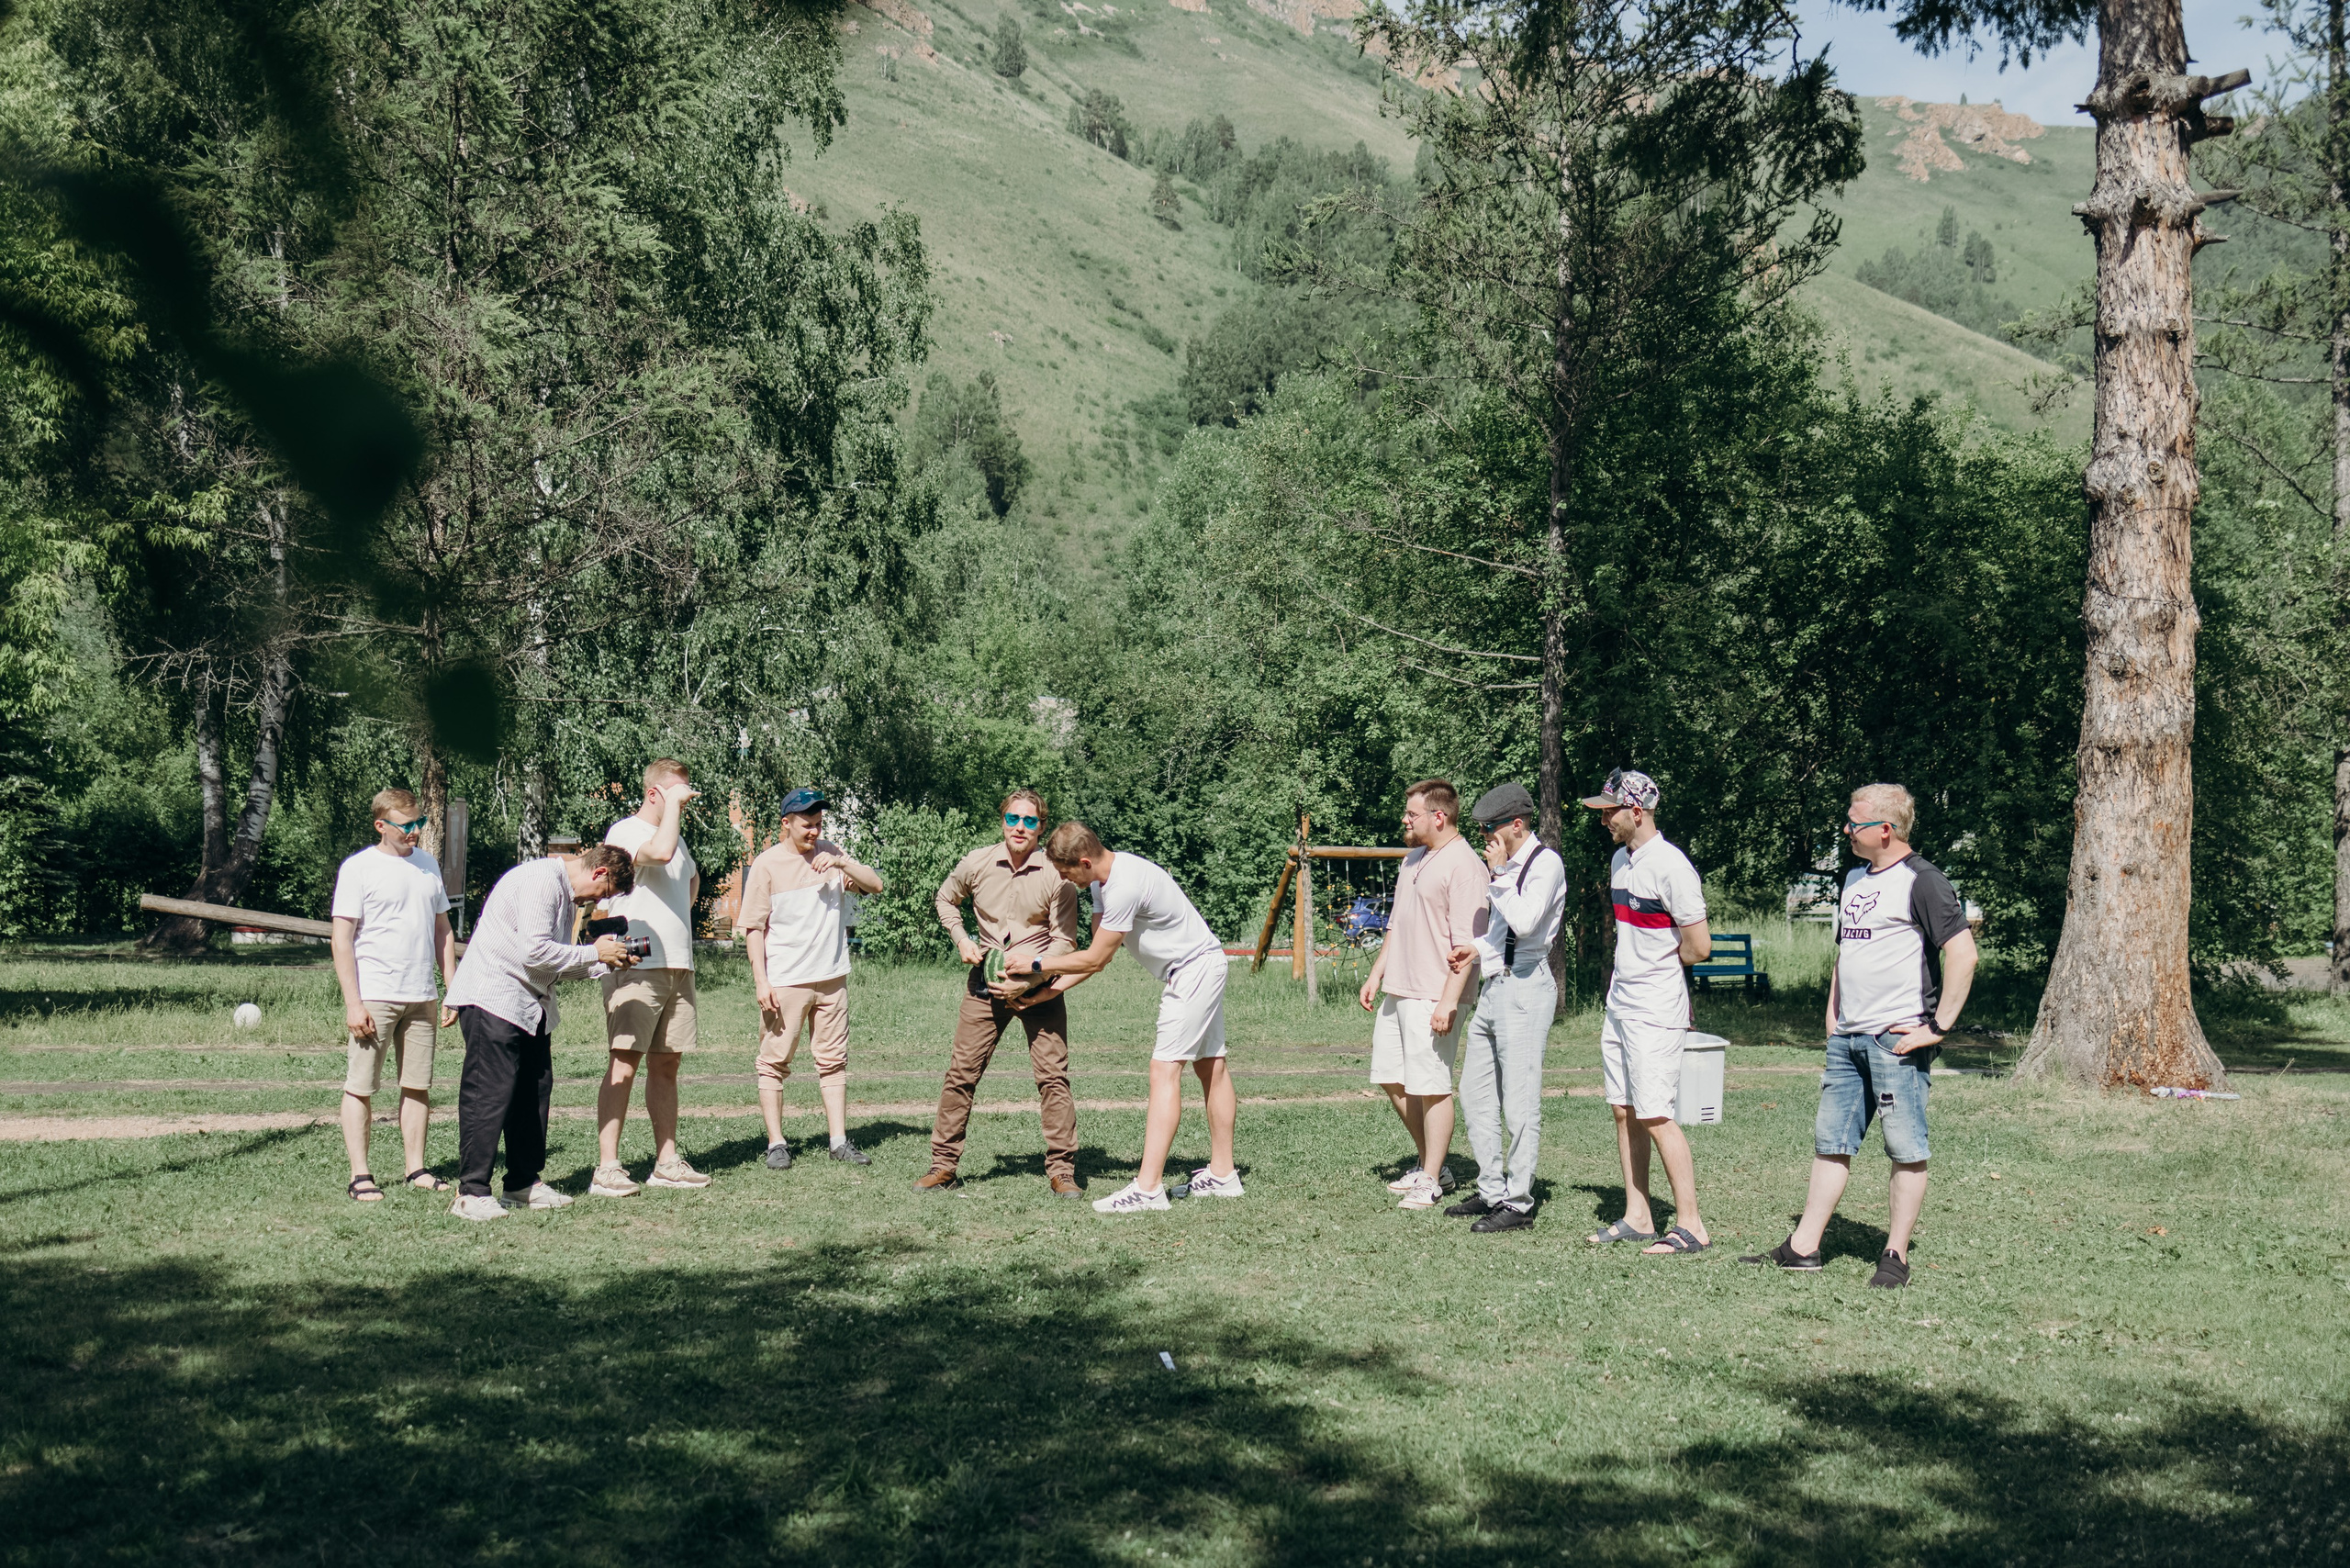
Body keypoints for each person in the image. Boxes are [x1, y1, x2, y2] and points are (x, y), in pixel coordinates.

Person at [1740, 783, 1977, 1288]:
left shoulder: (1923, 881)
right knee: (1832, 1142)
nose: (1846, 829)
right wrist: (1833, 1024)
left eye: (1855, 822)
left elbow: (1962, 953)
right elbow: (1845, 957)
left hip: (1895, 1041)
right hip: (1847, 1039)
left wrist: (1936, 1029)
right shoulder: (1853, 878)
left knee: (1905, 1148)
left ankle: (1895, 1255)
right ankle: (1803, 1247)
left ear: (1885, 831)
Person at [1004, 823, 1237, 1214]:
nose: (1063, 879)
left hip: (1193, 970)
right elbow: (1100, 957)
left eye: (1065, 872)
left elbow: (1094, 958)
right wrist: (1048, 990)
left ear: (1083, 861)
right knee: (1211, 1066)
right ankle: (1223, 1174)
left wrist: (1037, 963)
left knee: (1164, 1070)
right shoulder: (1100, 882)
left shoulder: (1124, 885)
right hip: (1202, 965)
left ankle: (1147, 1190)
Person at [442, 843, 639, 1220]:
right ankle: (471, 1193)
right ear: (600, 873)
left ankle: (522, 1184)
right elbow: (535, 953)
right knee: (490, 1094)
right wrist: (594, 953)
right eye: (606, 893)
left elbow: (553, 963)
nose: (600, 904)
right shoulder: (541, 881)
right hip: (494, 997)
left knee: (534, 1094)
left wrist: (605, 964)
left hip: (530, 1007)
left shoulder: (565, 896)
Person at [920, 790, 1085, 1196]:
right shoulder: (977, 862)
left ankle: (1062, 1171)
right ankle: (943, 1166)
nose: (1020, 827)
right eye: (1014, 819)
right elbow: (945, 898)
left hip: (1038, 990)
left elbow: (1065, 942)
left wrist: (1029, 980)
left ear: (1041, 827)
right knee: (961, 1075)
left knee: (1053, 1079)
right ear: (1003, 821)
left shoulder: (1057, 874)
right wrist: (960, 938)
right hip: (984, 982)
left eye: (1030, 821)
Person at [1582, 767, 1715, 1257]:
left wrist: (1657, 968)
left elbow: (1699, 946)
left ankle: (1692, 1226)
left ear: (1636, 810)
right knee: (1624, 1110)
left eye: (1609, 811)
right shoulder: (1621, 859)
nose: (1604, 820)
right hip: (1621, 1003)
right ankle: (1639, 1216)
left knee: (1656, 1113)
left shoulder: (1672, 866)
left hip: (1655, 1007)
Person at [735, 787, 885, 1170]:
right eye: (807, 825)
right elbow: (753, 927)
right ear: (786, 823)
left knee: (833, 1060)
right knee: (773, 1062)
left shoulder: (832, 854)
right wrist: (761, 982)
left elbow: (875, 885)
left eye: (819, 824)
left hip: (832, 977)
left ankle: (838, 1141)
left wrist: (841, 865)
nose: (814, 832)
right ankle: (776, 1144)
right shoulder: (767, 865)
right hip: (785, 980)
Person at [1358, 778, 1489, 1211]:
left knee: (1432, 1086)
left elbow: (1468, 942)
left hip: (1436, 991)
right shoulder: (1414, 859)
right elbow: (1397, 923)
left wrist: (1449, 1000)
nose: (1405, 820)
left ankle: (1430, 1178)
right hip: (1400, 986)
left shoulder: (1465, 866)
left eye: (1411, 814)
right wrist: (1377, 973)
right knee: (1393, 1078)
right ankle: (1436, 1165)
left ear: (1439, 816)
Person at [1443, 781, 1567, 1233]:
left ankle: (1518, 1203)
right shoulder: (1508, 865)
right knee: (1475, 1096)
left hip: (1527, 989)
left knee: (1519, 1102)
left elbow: (1528, 920)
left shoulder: (1544, 863)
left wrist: (1497, 876)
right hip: (1495, 988)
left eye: (1491, 829)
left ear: (1516, 824)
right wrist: (1476, 950)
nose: (1486, 838)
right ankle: (1491, 1189)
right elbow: (1502, 932)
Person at [330, 787, 461, 1201]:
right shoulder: (359, 868)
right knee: (361, 1086)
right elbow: (342, 938)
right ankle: (360, 1175)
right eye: (407, 826)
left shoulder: (428, 866)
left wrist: (452, 990)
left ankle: (416, 1169)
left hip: (421, 996)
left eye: (419, 824)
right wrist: (353, 1002)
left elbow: (443, 931)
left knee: (417, 1085)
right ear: (381, 825)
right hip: (375, 996)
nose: (415, 833)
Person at [590, 759, 706, 1199]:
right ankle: (607, 1168)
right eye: (678, 793)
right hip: (635, 965)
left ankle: (667, 1163)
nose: (685, 800)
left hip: (678, 964)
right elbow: (658, 854)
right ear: (655, 793)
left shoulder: (675, 837)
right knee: (624, 1061)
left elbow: (690, 878)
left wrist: (677, 920)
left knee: (667, 1063)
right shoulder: (626, 832)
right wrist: (674, 807)